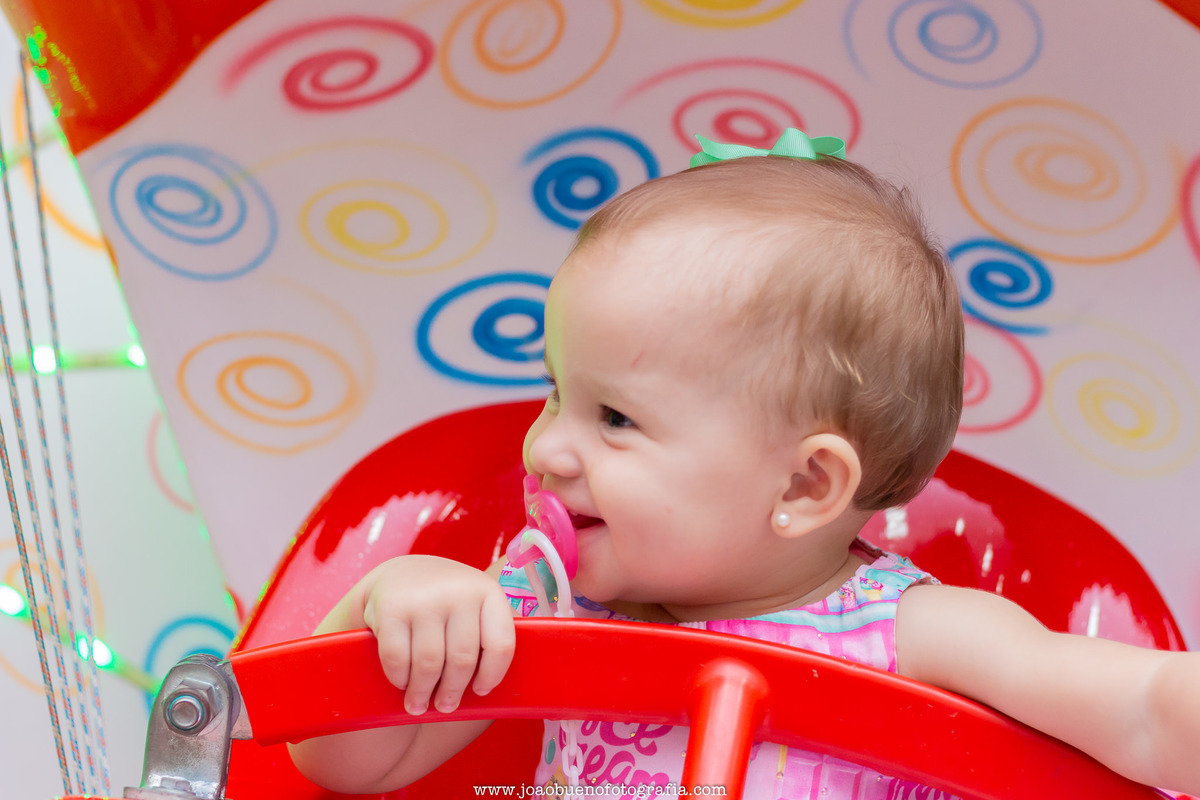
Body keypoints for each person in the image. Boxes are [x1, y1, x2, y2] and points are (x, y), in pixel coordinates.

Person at [287, 129, 1200, 798]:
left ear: (806, 486)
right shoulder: (541, 598)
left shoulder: (913, 636)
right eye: (555, 391)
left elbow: (1145, 713)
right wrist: (396, 602)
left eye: (614, 417)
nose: (546, 447)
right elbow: (346, 765)